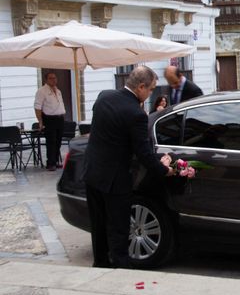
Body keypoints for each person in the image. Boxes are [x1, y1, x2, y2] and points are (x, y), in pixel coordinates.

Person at [83, 66, 174, 269]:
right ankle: (121, 269)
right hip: (115, 180)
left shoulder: (104, 97)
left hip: (92, 173)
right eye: (150, 90)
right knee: (118, 228)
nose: (151, 94)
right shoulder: (136, 114)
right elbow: (143, 154)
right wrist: (165, 170)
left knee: (98, 226)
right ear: (141, 87)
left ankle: (100, 263)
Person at [34, 72, 66, 171]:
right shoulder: (42, 91)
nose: (54, 80)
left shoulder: (58, 91)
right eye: (51, 78)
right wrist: (40, 121)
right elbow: (37, 107)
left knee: (58, 141)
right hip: (49, 119)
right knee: (51, 141)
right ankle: (50, 163)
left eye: (55, 78)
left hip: (60, 118)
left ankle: (56, 161)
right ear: (46, 80)